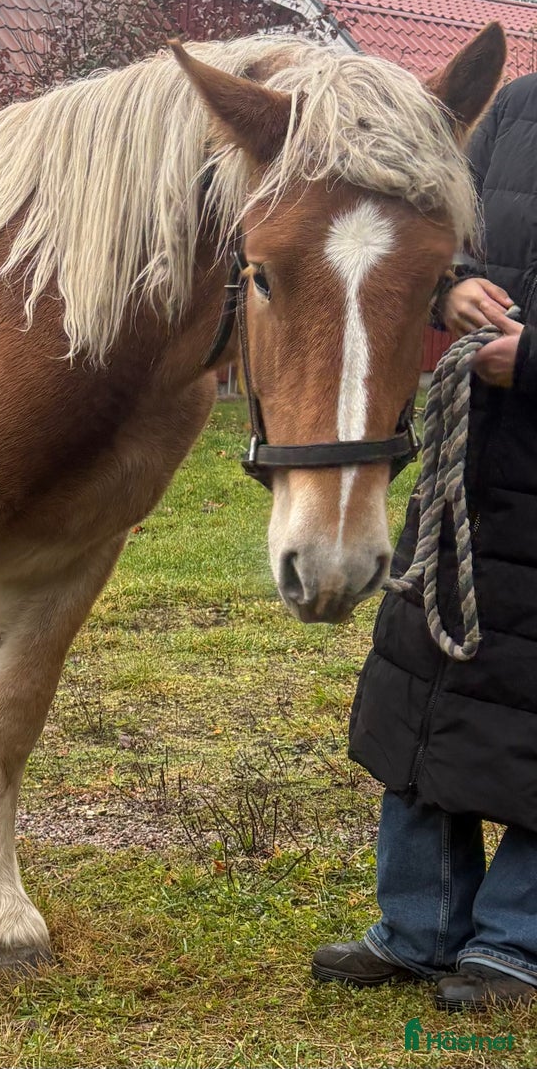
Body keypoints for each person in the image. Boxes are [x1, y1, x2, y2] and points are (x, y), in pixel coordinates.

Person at [312, 70, 537, 1012]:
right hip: (472, 462)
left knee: (531, 713)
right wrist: (450, 288)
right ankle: (420, 927)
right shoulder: (518, 107)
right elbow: (439, 230)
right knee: (424, 681)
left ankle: (514, 945)